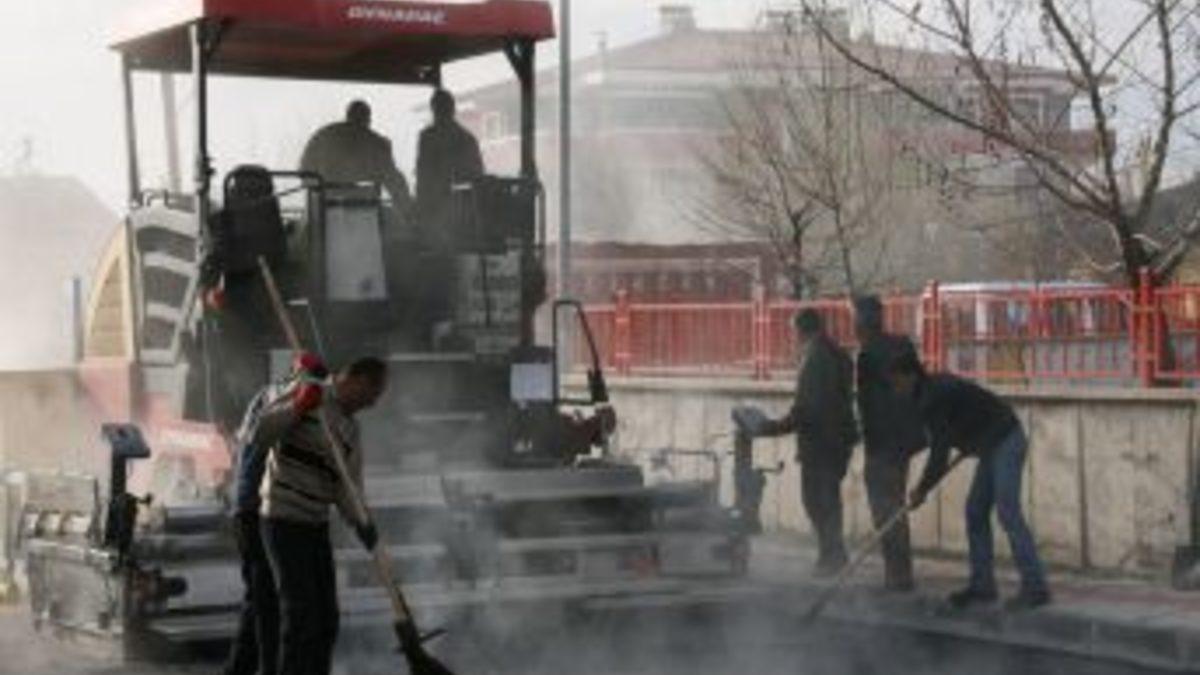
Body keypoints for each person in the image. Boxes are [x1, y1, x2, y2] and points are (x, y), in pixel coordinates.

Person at [250, 355, 388, 675]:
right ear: (355, 380)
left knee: (327, 619)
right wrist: (297, 406)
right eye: (372, 394)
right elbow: (259, 433)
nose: (373, 404)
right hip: (283, 518)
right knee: (301, 616)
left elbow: (348, 487)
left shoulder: (350, 430)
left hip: (314, 523)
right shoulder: (306, 390)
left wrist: (363, 524)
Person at [890, 351, 1052, 611]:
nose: (895, 389)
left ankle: (1036, 587)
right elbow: (934, 438)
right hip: (989, 444)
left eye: (896, 382)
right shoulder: (926, 394)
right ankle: (983, 586)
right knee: (975, 512)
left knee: (1008, 512)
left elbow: (939, 453)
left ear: (910, 376)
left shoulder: (933, 397)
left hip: (1006, 440)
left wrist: (922, 489)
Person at [760, 310, 858, 575]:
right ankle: (834, 555)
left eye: (793, 331)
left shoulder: (815, 357)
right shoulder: (835, 352)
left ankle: (832, 557)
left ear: (801, 331)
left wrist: (775, 427)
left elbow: (807, 406)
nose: (792, 337)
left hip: (821, 442)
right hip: (838, 439)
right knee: (828, 499)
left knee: (817, 501)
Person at [221, 369, 294, 675]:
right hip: (254, 508)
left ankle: (239, 669)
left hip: (246, 505)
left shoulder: (268, 396)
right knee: (266, 596)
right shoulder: (281, 403)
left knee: (259, 595)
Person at [854, 296, 927, 592]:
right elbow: (919, 386)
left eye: (856, 318)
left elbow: (869, 406)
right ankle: (900, 572)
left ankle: (896, 575)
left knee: (884, 509)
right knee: (894, 506)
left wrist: (869, 444)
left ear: (862, 321)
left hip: (883, 444)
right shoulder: (902, 345)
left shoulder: (868, 354)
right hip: (905, 441)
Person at [300, 100, 413, 214]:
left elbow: (305, 172)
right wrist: (407, 210)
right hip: (362, 210)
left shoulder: (322, 136)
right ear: (368, 120)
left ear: (347, 116)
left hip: (322, 210)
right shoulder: (375, 143)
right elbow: (395, 181)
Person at [414, 89, 484, 238]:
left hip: (442, 211)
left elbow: (422, 176)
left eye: (439, 108)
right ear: (453, 109)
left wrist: (420, 209)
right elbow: (478, 175)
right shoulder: (467, 138)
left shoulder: (427, 137)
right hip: (460, 212)